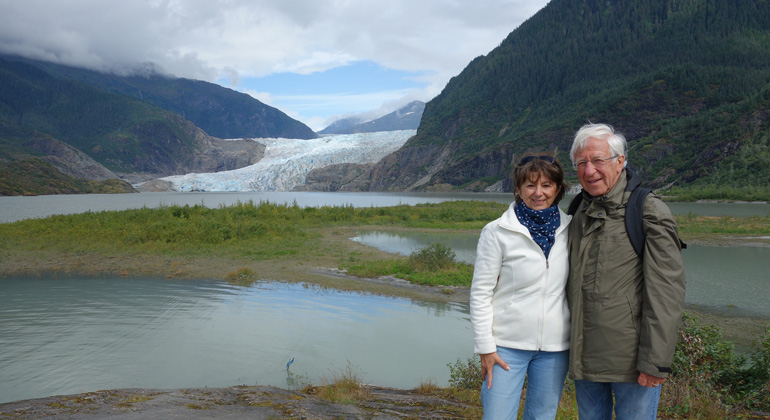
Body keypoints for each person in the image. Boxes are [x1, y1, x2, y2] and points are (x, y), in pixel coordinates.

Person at [566, 123, 686, 420]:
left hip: (632, 363)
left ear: (620, 161)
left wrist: (655, 360)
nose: (589, 170)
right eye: (582, 163)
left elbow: (666, 292)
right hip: (585, 356)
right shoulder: (578, 209)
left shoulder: (647, 209)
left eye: (598, 160)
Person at [470, 153, 571, 420]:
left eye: (547, 185)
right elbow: (480, 293)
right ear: (518, 189)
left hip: (555, 348)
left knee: (542, 417)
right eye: (530, 185)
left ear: (558, 189)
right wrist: (485, 347)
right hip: (505, 347)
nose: (538, 193)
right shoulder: (497, 231)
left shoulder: (572, 229)